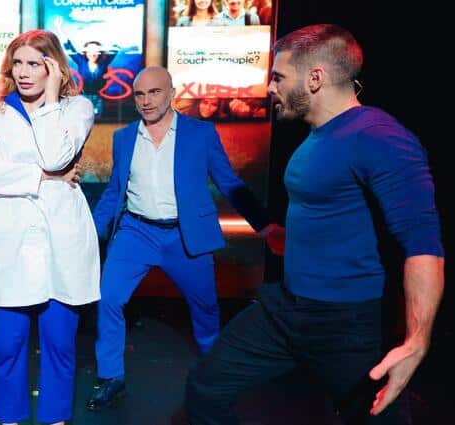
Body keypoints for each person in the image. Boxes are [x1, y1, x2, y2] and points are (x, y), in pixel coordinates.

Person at [186, 24, 444, 424]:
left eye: (278, 77)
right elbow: (332, 208)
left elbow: (423, 245)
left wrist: (417, 341)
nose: (270, 87)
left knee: (378, 417)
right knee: (206, 389)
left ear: (315, 78)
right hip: (286, 308)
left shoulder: (379, 137)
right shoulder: (321, 134)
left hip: (343, 323)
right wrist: (283, 235)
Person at [86, 66, 284, 410]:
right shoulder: (124, 137)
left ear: (171, 94)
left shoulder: (200, 134)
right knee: (109, 299)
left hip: (185, 235)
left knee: (205, 308)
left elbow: (229, 183)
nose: (146, 101)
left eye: (154, 92)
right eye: (140, 94)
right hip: (137, 232)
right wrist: (90, 234)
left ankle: (214, 374)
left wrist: (265, 226)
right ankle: (111, 376)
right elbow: (115, 191)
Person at [0, 29, 100, 425]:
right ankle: (10, 420)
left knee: (60, 345)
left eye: (34, 64)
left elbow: (57, 156)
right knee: (8, 346)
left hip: (62, 242)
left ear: (53, 67)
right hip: (8, 243)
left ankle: (55, 419)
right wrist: (44, 177)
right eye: (17, 63)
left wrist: (52, 101)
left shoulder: (77, 109)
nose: (23, 73)